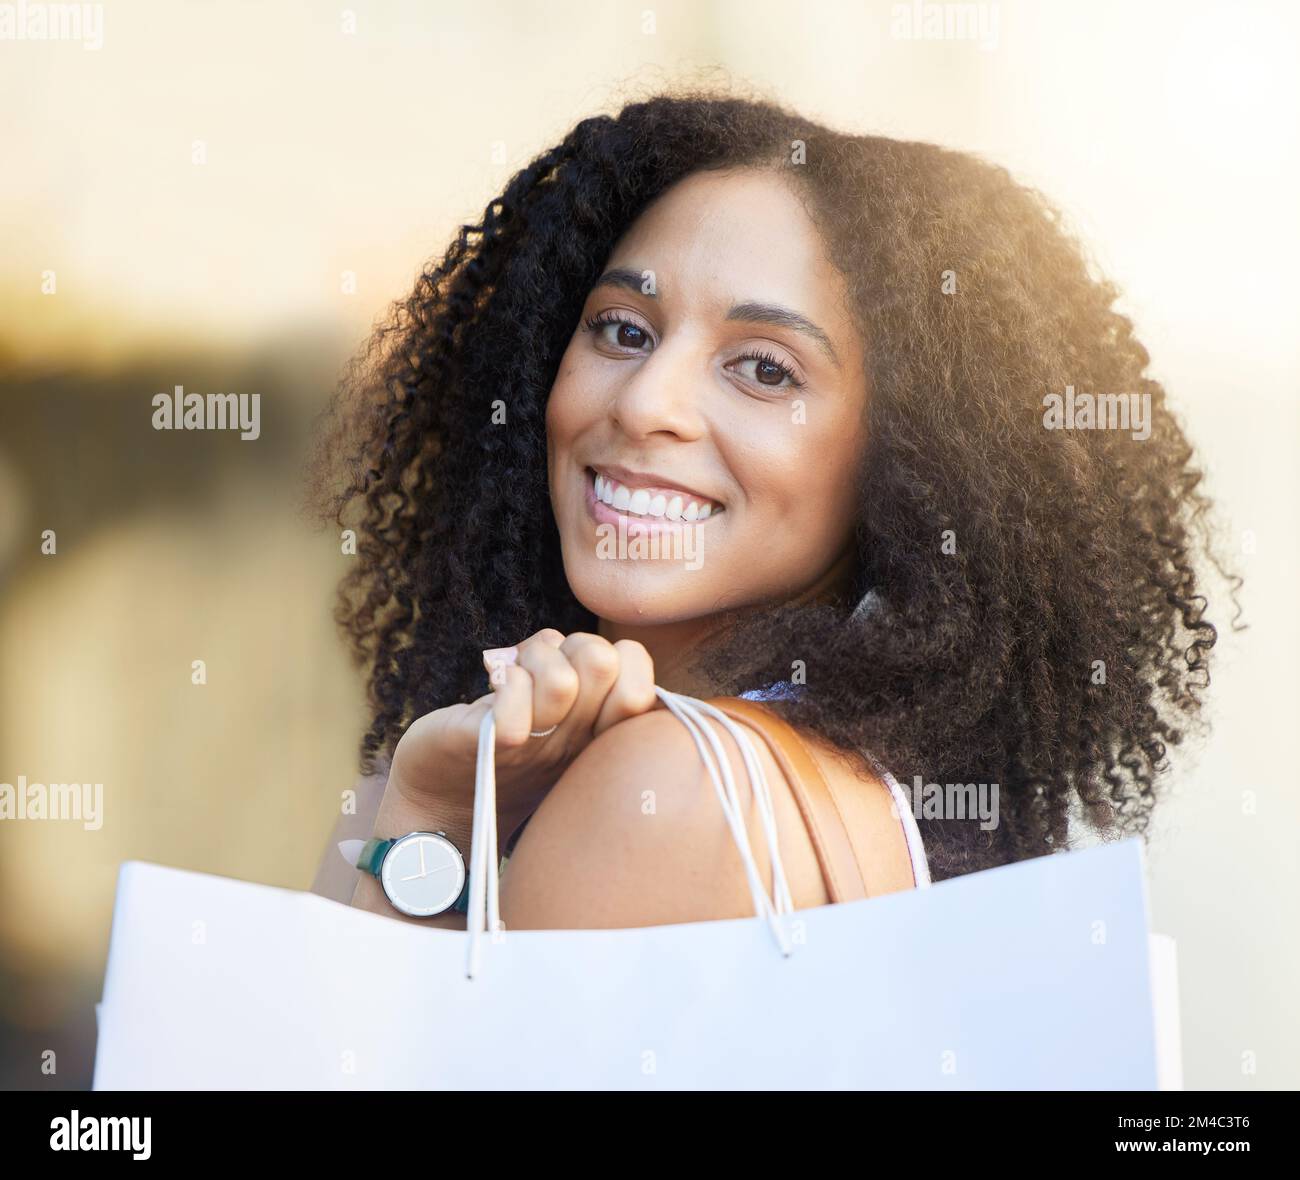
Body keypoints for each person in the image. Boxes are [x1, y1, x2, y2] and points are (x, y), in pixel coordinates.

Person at [308, 90, 1228, 930]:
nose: (645, 404)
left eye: (765, 369)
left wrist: (426, 818)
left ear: (903, 467)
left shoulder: (674, 789)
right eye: (625, 329)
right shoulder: (850, 781)